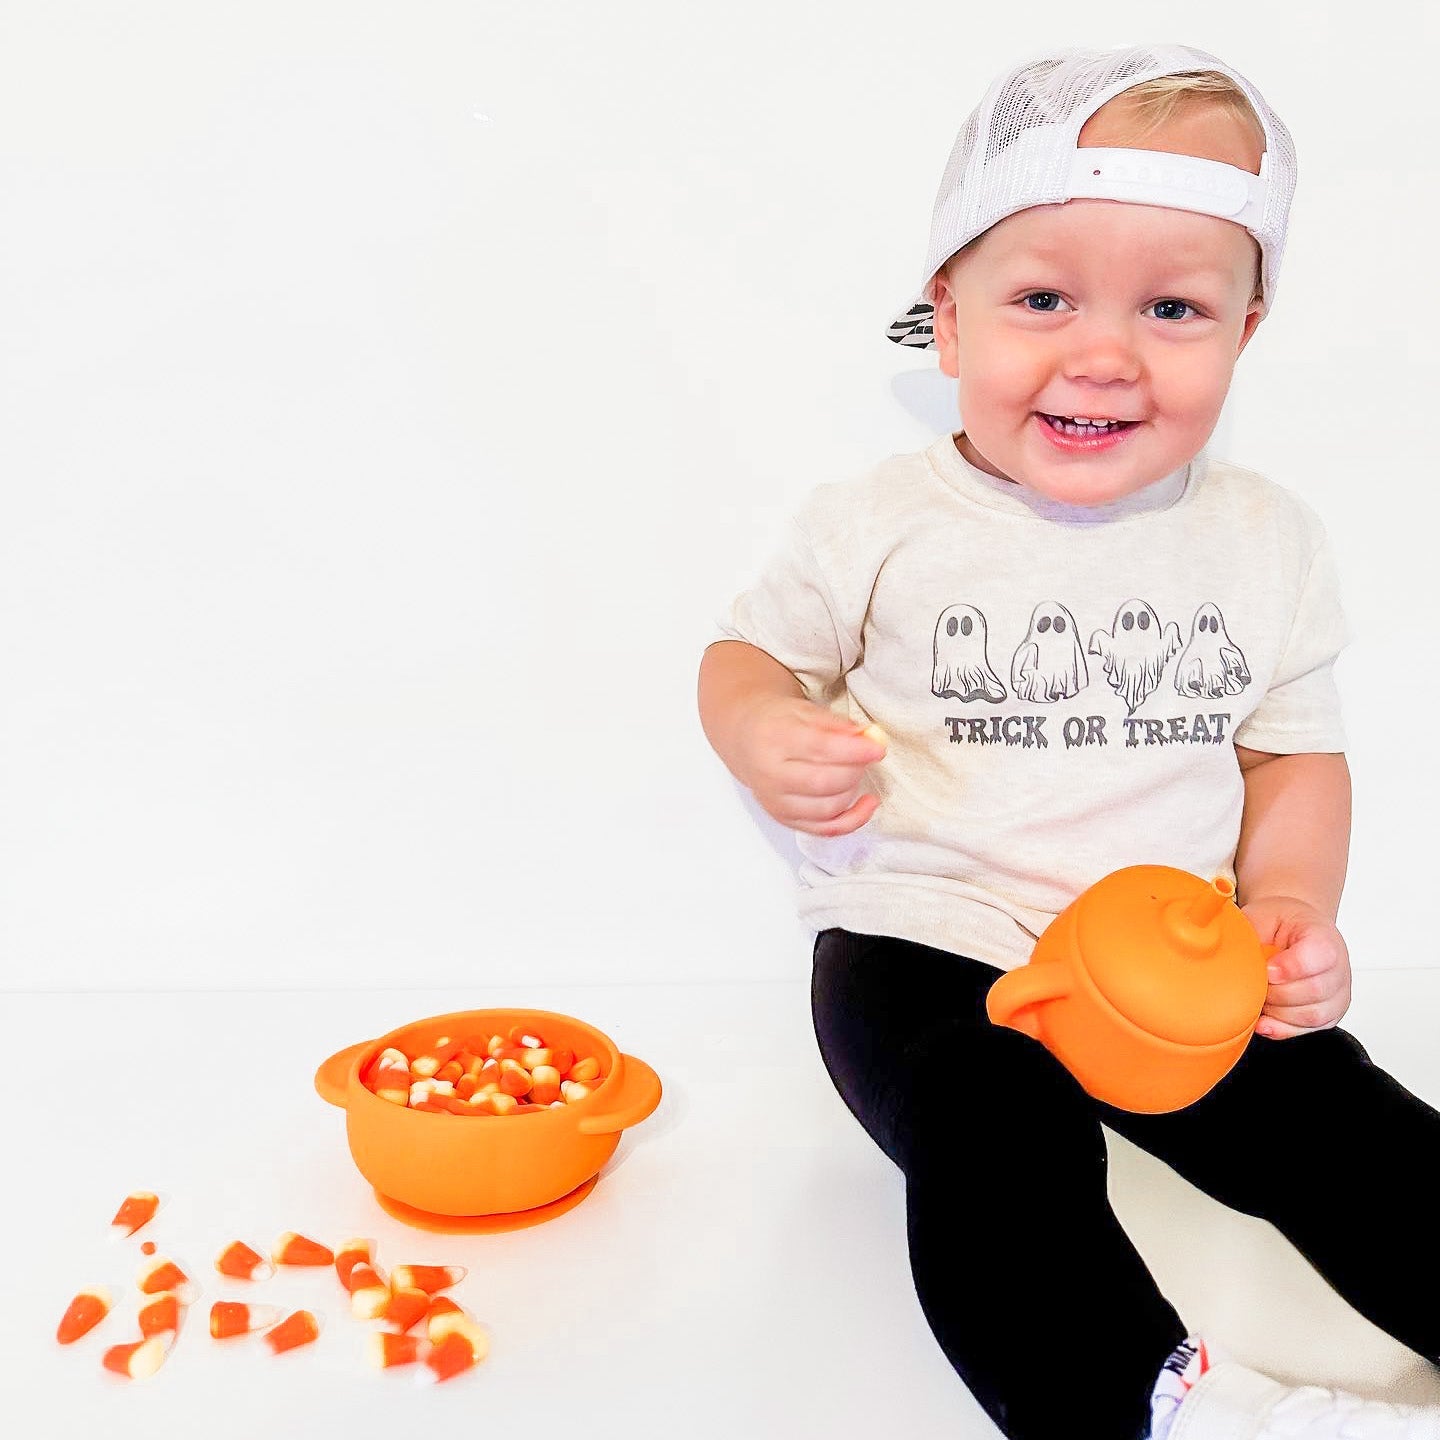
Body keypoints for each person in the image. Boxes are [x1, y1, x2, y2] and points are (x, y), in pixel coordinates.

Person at [697, 42, 1440, 1440]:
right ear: (954, 320)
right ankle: (1153, 1408)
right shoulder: (879, 520)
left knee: (1346, 1129)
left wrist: (1290, 907)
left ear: (1244, 333)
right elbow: (747, 657)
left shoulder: (1268, 539)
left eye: (1172, 307)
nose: (1101, 354)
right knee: (989, 1116)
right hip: (925, 950)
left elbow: (1293, 756)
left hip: (1174, 965)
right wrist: (761, 726)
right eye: (1043, 298)